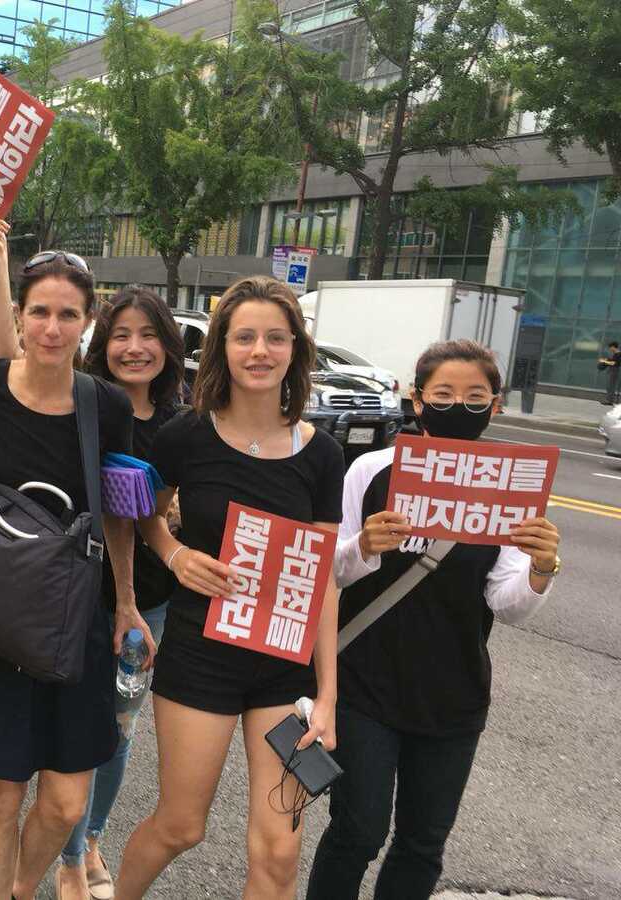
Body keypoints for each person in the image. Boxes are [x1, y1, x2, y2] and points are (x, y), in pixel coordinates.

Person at [0, 221, 152, 899]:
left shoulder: (104, 404)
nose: (51, 326)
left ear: (87, 322)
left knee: (66, 803)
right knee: (1, 798)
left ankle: (20, 886)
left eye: (67, 314)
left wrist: (126, 602)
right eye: (38, 311)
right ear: (20, 314)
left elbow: (120, 514)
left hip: (73, 618)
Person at [114, 275, 344, 900]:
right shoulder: (186, 436)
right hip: (201, 657)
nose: (260, 351)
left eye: (276, 337)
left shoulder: (322, 453)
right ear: (223, 348)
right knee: (181, 826)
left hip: (283, 671)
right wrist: (176, 553)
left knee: (280, 849)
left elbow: (323, 580)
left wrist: (327, 695)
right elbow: (144, 514)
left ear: (296, 348)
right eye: (245, 337)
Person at [306, 339, 561, 900]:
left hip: (454, 694)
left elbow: (506, 603)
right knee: (358, 830)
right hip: (365, 684)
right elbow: (327, 574)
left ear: (496, 405)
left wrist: (542, 567)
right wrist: (363, 547)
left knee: (423, 843)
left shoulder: (513, 486)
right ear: (417, 401)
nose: (458, 406)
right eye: (443, 394)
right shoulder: (371, 470)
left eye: (475, 397)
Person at [58, 286, 185, 900]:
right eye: (120, 336)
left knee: (119, 726)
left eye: (148, 334)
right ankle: (70, 853)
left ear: (168, 344)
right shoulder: (80, 406)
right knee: (76, 721)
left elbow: (159, 516)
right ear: (101, 346)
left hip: (150, 601)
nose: (134, 348)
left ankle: (93, 835)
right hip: (74, 593)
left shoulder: (185, 425)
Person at [599, 340, 620, 405]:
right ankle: (609, 400)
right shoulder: (616, 354)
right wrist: (606, 360)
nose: (610, 349)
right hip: (612, 370)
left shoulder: (618, 354)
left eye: (610, 347)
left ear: (613, 347)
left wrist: (604, 361)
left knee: (611, 386)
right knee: (609, 386)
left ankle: (609, 401)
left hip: (614, 371)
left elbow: (614, 363)